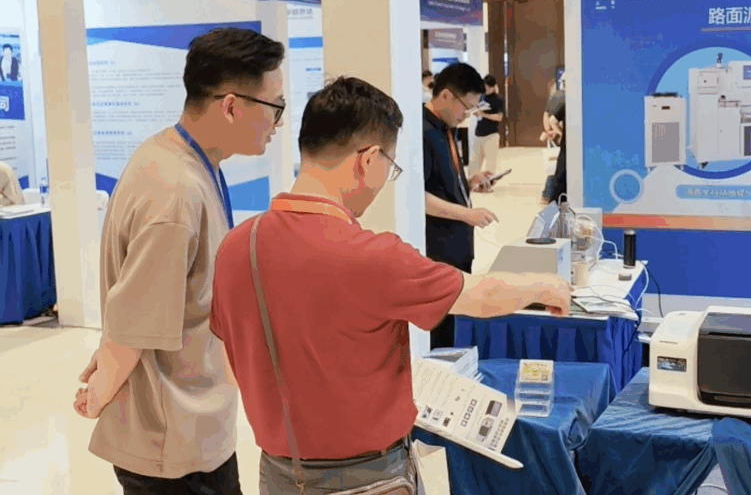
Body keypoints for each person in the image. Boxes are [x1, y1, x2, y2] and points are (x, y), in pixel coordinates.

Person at [209, 76, 570, 494]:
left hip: (277, 475)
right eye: (391, 167)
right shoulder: (373, 256)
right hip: (370, 478)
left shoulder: (237, 245)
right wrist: (546, 287)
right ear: (369, 159)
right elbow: (479, 295)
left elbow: (231, 360)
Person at [73, 28, 286, 495]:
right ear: (231, 107)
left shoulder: (183, 159)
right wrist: (101, 392)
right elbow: (133, 327)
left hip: (195, 428)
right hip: (171, 445)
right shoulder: (175, 191)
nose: (279, 122)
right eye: (276, 107)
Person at [423, 62, 497, 349]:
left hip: (458, 249)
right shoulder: (424, 132)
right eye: (466, 108)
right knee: (440, 333)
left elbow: (442, 183)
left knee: (455, 326)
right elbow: (419, 197)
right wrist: (466, 214)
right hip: (439, 250)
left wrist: (469, 182)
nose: (467, 116)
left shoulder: (446, 128)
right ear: (445, 96)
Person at [541, 71, 566, 205]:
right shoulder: (567, 98)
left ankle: (546, 195)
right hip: (562, 136)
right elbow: (553, 119)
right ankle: (550, 196)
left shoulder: (554, 96)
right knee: (559, 170)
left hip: (554, 134)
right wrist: (561, 132)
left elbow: (546, 115)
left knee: (556, 169)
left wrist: (548, 130)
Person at [471, 74, 504, 176]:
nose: (487, 90)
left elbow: (499, 117)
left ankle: (489, 182)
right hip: (478, 133)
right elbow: (475, 110)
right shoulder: (481, 97)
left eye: (489, 87)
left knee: (490, 164)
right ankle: (474, 181)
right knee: (474, 163)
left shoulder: (498, 99)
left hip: (491, 134)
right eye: (485, 87)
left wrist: (484, 115)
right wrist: (475, 112)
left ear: (494, 87)